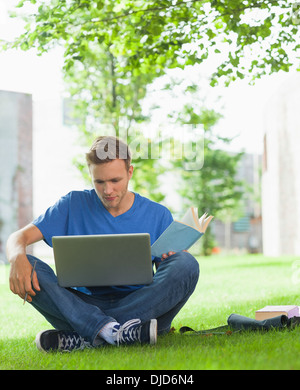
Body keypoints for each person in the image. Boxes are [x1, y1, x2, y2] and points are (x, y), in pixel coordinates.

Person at [6, 136, 200, 352]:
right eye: (99, 182)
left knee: (186, 263)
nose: (108, 190)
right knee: (29, 264)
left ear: (130, 173)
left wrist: (169, 261)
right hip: (82, 306)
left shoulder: (157, 214)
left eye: (115, 180)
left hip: (141, 306)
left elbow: (169, 277)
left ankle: (89, 334)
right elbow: (18, 238)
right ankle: (122, 332)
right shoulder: (72, 204)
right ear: (90, 176)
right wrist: (16, 257)